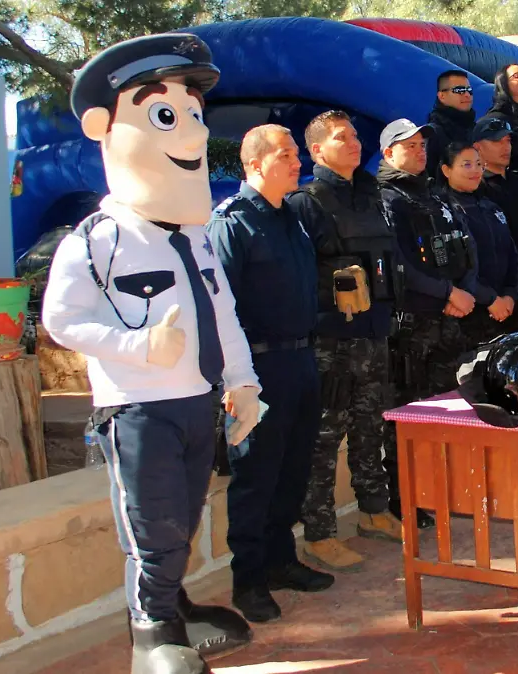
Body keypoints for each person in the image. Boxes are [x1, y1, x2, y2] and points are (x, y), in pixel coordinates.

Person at [42, 33, 259, 673]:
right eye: (166, 117)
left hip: (197, 400)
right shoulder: (97, 239)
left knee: (183, 514)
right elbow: (61, 320)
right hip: (139, 408)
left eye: (193, 115)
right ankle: (150, 633)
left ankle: (174, 608)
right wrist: (137, 346)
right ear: (104, 128)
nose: (191, 135)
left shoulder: (195, 238)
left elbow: (223, 311)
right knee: (152, 523)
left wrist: (242, 382)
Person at [206, 125, 331, 623]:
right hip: (257, 366)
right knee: (256, 474)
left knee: (293, 467)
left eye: (297, 153)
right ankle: (249, 579)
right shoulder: (232, 223)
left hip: (301, 359)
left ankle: (282, 560)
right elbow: (219, 309)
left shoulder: (291, 218)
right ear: (256, 164)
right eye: (287, 154)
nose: (297, 161)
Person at [286, 110, 403, 573]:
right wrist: (331, 289)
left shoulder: (370, 194)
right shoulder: (306, 203)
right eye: (341, 137)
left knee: (370, 427)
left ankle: (374, 512)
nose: (354, 142)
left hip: (374, 334)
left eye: (355, 135)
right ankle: (319, 534)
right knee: (323, 438)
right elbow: (293, 277)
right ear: (317, 150)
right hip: (331, 342)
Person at [380, 120, 483, 404]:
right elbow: (399, 261)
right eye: (409, 146)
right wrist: (449, 293)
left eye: (422, 145)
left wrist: (465, 291)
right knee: (411, 410)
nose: (419, 151)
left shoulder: (435, 194)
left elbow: (467, 244)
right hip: (414, 325)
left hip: (453, 317)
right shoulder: (386, 199)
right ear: (388, 154)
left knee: (454, 402)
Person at [436, 141, 518, 344]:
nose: (475, 171)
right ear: (446, 170)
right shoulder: (441, 210)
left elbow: (511, 254)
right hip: (466, 314)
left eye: (478, 164)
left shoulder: (490, 207)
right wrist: (490, 299)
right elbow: (453, 266)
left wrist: (510, 295)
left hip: (504, 311)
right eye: (466, 165)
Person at [473, 115, 518, 330]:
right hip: (497, 292)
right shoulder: (476, 188)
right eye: (497, 141)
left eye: (508, 141)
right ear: (477, 146)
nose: (505, 147)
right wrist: (514, 276)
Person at [425, 69, 477, 177]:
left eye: (469, 90)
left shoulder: (476, 128)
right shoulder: (432, 133)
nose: (467, 94)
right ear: (442, 96)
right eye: (459, 90)